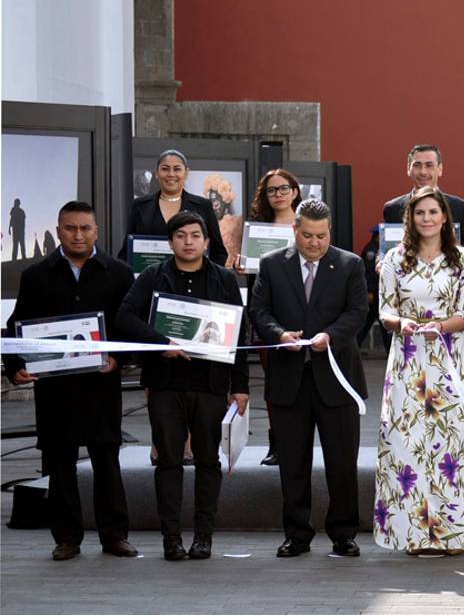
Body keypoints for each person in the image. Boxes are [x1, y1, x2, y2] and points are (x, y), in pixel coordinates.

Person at [3, 201, 137, 561]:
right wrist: (14, 365)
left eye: (85, 228)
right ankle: (66, 538)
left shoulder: (120, 274)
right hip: (55, 389)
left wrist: (119, 358)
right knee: (59, 464)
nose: (78, 235)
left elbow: (130, 326)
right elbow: (17, 325)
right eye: (70, 228)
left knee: (106, 461)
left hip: (101, 387)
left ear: (96, 231)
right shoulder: (35, 275)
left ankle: (115, 537)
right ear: (59, 230)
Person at [116, 210, 249, 561]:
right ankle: (171, 538)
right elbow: (124, 316)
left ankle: (204, 537)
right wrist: (160, 342)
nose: (188, 242)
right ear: (170, 242)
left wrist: (240, 386)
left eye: (195, 236)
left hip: (211, 386)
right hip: (165, 386)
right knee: (168, 462)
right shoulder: (153, 276)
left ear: (206, 241)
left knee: (208, 462)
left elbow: (239, 334)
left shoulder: (224, 279)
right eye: (180, 236)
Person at [374, 186, 464, 553]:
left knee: (454, 445)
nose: (426, 218)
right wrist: (402, 324)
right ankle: (413, 532)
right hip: (409, 359)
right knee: (407, 444)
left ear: (445, 217)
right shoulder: (395, 258)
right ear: (410, 218)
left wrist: (439, 327)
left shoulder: (463, 259)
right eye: (420, 213)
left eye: (433, 212)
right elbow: (384, 310)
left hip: (452, 360)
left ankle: (453, 533)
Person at [249, 198, 368, 559]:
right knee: (292, 463)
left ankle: (344, 534)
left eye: (322, 236)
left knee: (342, 462)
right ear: (294, 230)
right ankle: (297, 535)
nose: (315, 243)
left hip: (336, 378)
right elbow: (259, 311)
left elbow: (358, 312)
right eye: (307, 236)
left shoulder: (349, 264)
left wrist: (330, 335)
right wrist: (279, 334)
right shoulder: (272, 264)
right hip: (289, 380)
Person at [242, 168, 302, 467]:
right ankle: (277, 442)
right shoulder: (256, 230)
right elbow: (254, 279)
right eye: (271, 190)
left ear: (295, 191)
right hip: (268, 315)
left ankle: (298, 441)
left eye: (283, 188)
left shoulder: (307, 225)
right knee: (274, 381)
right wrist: (242, 265)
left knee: (303, 380)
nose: (278, 194)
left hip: (303, 310)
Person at [119, 149, 228, 268]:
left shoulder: (203, 206)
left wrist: (206, 276)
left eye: (177, 169)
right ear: (157, 173)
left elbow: (218, 253)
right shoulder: (140, 206)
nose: (171, 174)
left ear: (186, 173)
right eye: (165, 169)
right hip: (149, 277)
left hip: (193, 278)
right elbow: (127, 252)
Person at [381, 144, 464, 250]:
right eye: (417, 165)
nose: (423, 172)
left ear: (440, 169)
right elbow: (385, 248)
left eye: (429, 165)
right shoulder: (392, 208)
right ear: (408, 169)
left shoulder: (460, 208)